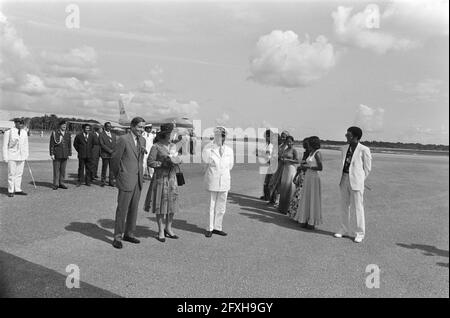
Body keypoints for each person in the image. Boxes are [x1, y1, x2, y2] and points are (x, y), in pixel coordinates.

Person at [111, 117, 147, 249]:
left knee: (134, 209)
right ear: (132, 126)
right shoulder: (123, 139)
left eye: (143, 127)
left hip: (137, 180)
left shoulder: (142, 140)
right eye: (139, 127)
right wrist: (118, 175)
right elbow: (115, 159)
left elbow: (140, 159)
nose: (141, 130)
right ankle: (117, 237)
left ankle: (129, 233)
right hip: (126, 179)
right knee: (122, 210)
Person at [334, 126, 372, 243]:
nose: (346, 136)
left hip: (356, 181)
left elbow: (367, 168)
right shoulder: (344, 148)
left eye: (348, 134)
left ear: (355, 137)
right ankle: (343, 229)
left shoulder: (364, 149)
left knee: (358, 207)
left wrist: (360, 179)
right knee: (344, 206)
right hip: (344, 179)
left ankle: (360, 232)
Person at [144, 128, 182, 242]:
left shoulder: (173, 146)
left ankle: (168, 228)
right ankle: (160, 231)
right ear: (165, 135)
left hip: (172, 179)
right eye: (170, 134)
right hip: (160, 178)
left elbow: (179, 158)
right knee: (160, 205)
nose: (172, 137)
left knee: (172, 206)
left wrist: (178, 160)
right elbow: (150, 162)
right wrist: (162, 163)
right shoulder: (156, 146)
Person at [202, 126, 234, 238]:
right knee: (211, 205)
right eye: (219, 135)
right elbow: (204, 164)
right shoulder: (208, 148)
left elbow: (230, 166)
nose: (221, 138)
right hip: (212, 180)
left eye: (223, 136)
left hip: (224, 181)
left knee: (221, 206)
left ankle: (217, 227)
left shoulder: (229, 150)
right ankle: (209, 228)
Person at [295, 136, 323, 230]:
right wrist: (304, 166)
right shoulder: (311, 153)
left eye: (309, 143)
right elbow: (310, 163)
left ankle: (312, 221)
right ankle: (304, 219)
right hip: (308, 177)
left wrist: (308, 167)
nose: (308, 145)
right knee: (306, 197)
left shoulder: (317, 153)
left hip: (314, 177)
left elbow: (320, 168)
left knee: (313, 198)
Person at [2, 118, 29, 197]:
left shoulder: (24, 132)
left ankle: (17, 189)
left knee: (19, 174)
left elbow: (26, 145)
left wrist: (26, 154)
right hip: (12, 156)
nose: (21, 125)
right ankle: (10, 190)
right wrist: (5, 157)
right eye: (19, 123)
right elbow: (4, 146)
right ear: (15, 123)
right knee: (11, 174)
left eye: (22, 123)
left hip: (21, 156)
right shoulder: (8, 132)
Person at [288, 137, 310, 219]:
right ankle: (295, 214)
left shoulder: (312, 154)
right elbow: (300, 166)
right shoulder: (305, 153)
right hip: (301, 175)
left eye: (305, 143)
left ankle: (300, 215)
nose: (304, 145)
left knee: (300, 195)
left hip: (307, 177)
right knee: (297, 195)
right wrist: (296, 176)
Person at [277, 135, 299, 214]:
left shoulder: (294, 150)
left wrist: (288, 160)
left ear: (293, 142)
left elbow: (297, 161)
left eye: (290, 141)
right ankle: (282, 208)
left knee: (289, 188)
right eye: (287, 142)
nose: (289, 143)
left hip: (291, 169)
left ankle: (287, 209)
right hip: (285, 168)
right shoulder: (286, 149)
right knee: (284, 187)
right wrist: (282, 159)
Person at [268, 130, 289, 207]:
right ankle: (273, 199)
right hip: (277, 165)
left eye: (284, 136)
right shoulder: (281, 145)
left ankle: (277, 201)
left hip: (283, 167)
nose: (283, 138)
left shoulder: (287, 146)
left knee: (280, 184)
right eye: (282, 136)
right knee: (274, 183)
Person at [49, 120, 72, 190]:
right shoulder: (55, 133)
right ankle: (56, 184)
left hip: (65, 154)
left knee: (63, 170)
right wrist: (52, 154)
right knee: (56, 170)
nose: (64, 126)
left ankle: (61, 183)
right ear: (60, 126)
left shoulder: (68, 133)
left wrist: (69, 153)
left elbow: (69, 144)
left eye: (65, 125)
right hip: (57, 154)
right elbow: (52, 144)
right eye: (63, 125)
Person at [99, 122, 117, 187]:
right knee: (104, 168)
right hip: (105, 154)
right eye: (107, 126)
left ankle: (111, 182)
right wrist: (109, 150)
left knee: (112, 169)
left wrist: (114, 151)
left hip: (112, 155)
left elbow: (115, 144)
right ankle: (103, 181)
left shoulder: (113, 135)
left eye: (110, 126)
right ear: (105, 127)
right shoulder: (101, 134)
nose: (109, 127)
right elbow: (102, 144)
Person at [259, 129, 274, 201]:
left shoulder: (270, 145)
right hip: (269, 164)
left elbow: (268, 155)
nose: (265, 138)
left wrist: (260, 154)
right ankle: (267, 196)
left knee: (268, 181)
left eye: (266, 136)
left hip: (271, 165)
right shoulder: (268, 144)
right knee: (267, 181)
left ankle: (268, 197)